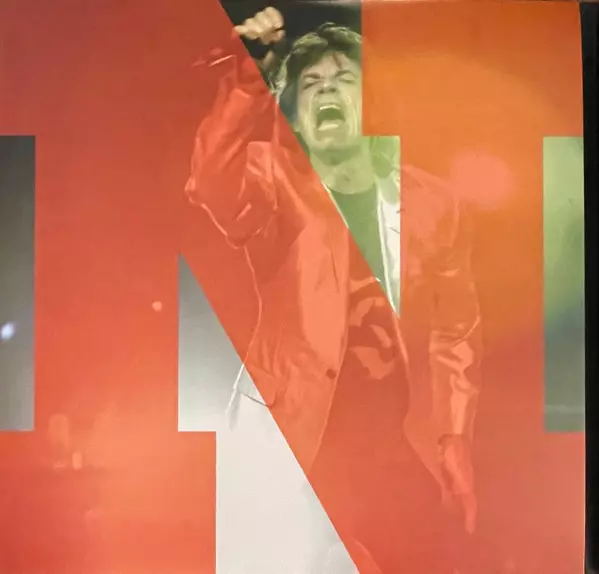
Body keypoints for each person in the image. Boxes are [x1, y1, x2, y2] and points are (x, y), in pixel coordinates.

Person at [185, 7, 482, 573]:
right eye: (311, 83)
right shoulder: (273, 180)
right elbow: (211, 180)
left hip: (392, 449)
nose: (326, 89)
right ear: (295, 115)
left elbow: (456, 331)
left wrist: (454, 439)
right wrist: (249, 81)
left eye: (344, 79)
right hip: (294, 445)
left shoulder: (434, 205)